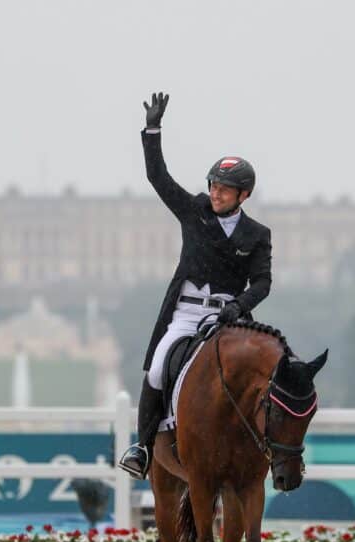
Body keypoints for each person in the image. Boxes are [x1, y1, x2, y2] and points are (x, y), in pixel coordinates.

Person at [118, 92, 273, 480]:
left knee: (266, 372)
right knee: (156, 371)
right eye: (213, 185)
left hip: (229, 318)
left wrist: (238, 306)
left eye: (223, 189)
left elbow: (263, 282)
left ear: (244, 195)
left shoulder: (257, 234)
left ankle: (269, 449)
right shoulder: (193, 211)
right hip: (187, 314)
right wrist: (152, 131)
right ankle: (142, 446)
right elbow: (158, 178)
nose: (215, 192)